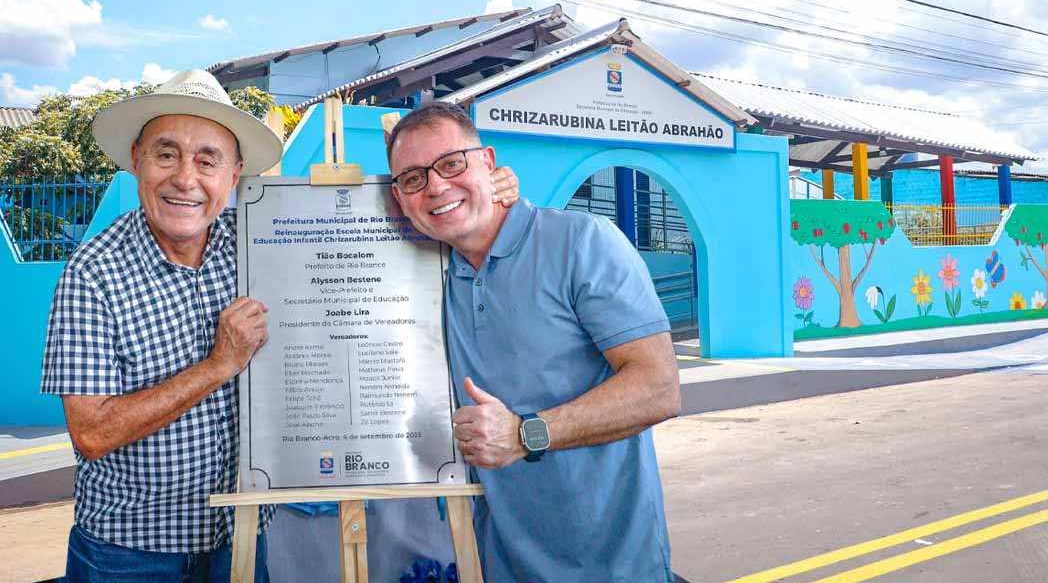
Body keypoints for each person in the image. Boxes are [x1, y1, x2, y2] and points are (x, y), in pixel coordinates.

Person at [40, 71, 520, 582]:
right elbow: (91, 432)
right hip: (129, 553)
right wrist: (217, 367)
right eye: (166, 154)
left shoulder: (251, 233)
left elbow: (369, 220)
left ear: (235, 172)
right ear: (137, 158)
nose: (185, 178)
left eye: (208, 160)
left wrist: (483, 196)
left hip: (240, 536)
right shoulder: (94, 272)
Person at [386, 102, 681, 582]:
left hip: (615, 566)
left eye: (452, 163)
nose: (436, 185)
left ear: (489, 161)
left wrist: (526, 434)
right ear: (399, 198)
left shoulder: (583, 242)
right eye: (413, 178)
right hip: (502, 564)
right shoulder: (431, 274)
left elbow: (659, 388)